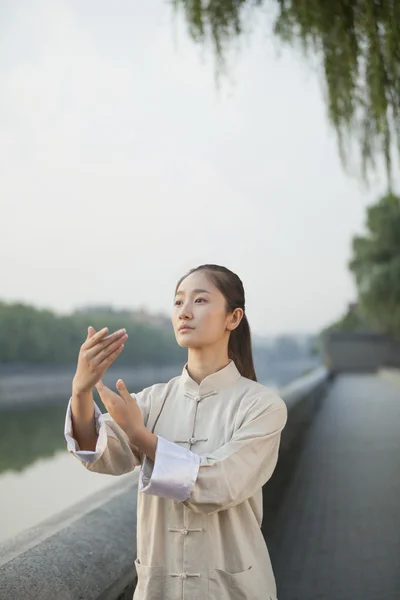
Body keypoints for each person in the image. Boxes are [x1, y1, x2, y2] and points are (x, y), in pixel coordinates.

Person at [64, 264, 288, 600]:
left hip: (232, 591)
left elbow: (219, 484)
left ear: (233, 318)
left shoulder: (262, 406)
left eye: (199, 301)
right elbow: (101, 454)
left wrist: (141, 436)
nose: (184, 311)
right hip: (160, 589)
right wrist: (81, 392)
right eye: (178, 302)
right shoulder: (153, 400)